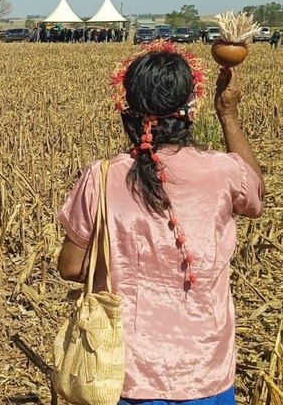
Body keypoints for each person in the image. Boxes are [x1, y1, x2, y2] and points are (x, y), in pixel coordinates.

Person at [56, 42, 264, 404]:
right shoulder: (224, 171)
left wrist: (126, 261)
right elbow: (255, 196)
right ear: (191, 108)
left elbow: (71, 267)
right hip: (207, 371)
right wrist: (228, 114)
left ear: (127, 109)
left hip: (124, 373)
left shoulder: (101, 177)